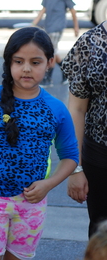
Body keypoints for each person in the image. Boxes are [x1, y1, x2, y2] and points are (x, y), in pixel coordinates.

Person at [0, 27, 78, 260]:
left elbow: (71, 156)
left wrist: (49, 184)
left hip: (33, 205)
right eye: (19, 61)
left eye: (35, 62)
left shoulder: (56, 108)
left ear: (50, 62)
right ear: (8, 62)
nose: (26, 69)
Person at [62, 20, 107, 238]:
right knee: (102, 236)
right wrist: (75, 168)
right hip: (100, 156)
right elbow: (76, 110)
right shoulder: (89, 43)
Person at [32, 0, 79, 87]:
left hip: (57, 26)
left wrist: (76, 27)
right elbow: (44, 9)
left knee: (50, 52)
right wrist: (34, 23)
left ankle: (48, 79)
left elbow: (73, 11)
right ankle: (66, 73)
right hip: (48, 25)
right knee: (54, 51)